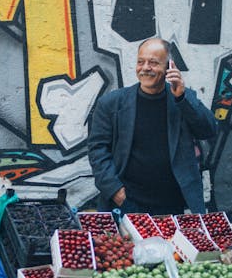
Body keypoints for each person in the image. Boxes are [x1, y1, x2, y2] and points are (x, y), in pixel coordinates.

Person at [87, 38, 218, 215]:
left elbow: (209, 130)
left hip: (171, 206)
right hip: (126, 203)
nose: (145, 67)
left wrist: (182, 98)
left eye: (154, 62)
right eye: (141, 61)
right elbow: (97, 150)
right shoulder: (111, 104)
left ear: (169, 67)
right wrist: (116, 191)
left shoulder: (183, 100)